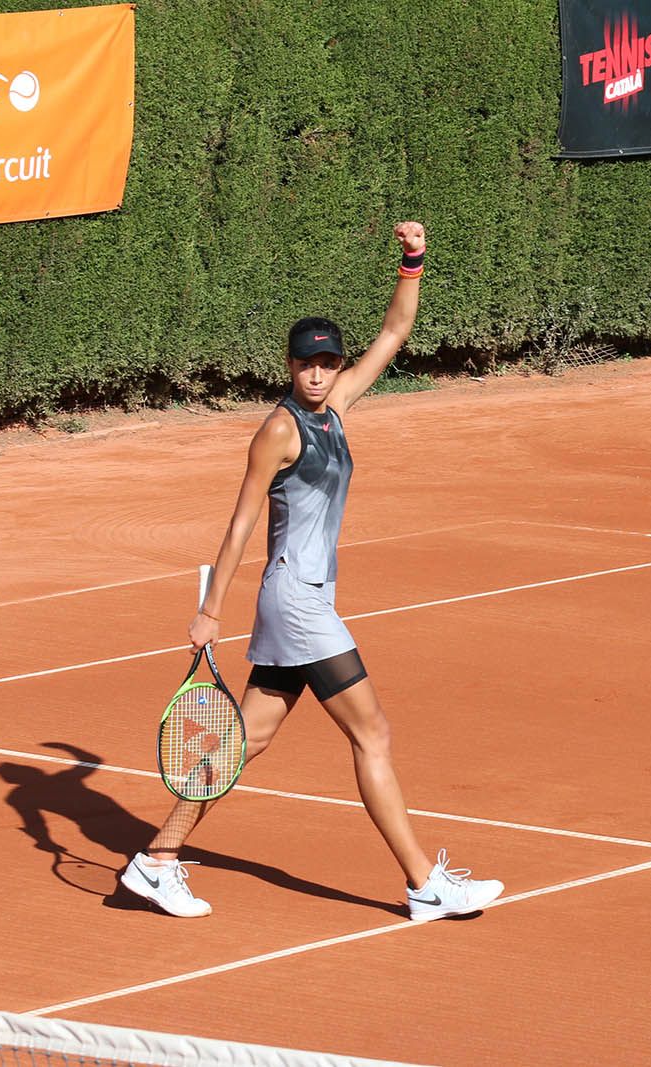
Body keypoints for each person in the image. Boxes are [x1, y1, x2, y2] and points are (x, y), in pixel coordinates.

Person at [119, 221, 505, 922]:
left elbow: (394, 330)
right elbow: (240, 523)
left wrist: (412, 257)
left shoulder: (340, 408)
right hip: (297, 602)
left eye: (328, 361)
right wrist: (211, 608)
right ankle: (424, 883)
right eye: (307, 364)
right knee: (374, 733)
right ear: (290, 367)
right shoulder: (280, 429)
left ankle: (155, 859)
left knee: (246, 739)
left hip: (302, 601)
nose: (320, 372)